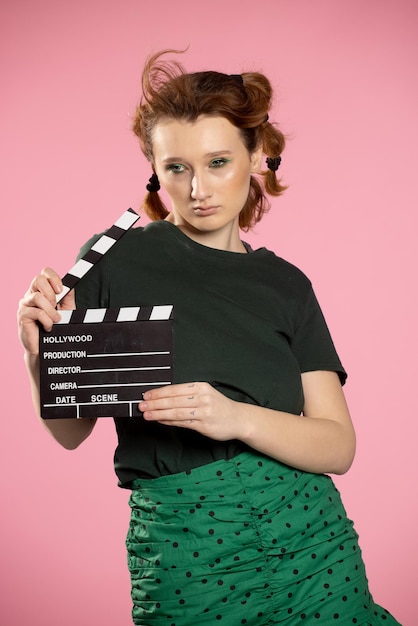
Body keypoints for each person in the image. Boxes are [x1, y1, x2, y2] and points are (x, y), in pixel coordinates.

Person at [17, 49, 401, 625]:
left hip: (310, 542)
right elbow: (71, 433)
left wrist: (236, 417)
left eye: (218, 161)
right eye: (176, 168)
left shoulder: (286, 284)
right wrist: (37, 353)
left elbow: (337, 445)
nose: (198, 188)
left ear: (257, 157)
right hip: (185, 549)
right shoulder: (113, 260)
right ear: (155, 169)